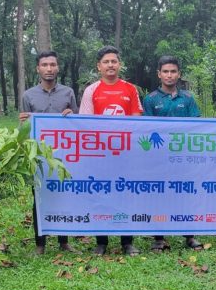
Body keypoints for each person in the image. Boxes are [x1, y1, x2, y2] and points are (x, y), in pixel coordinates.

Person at [79, 45, 143, 256]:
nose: (110, 65)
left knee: (126, 195)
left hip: (125, 153)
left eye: (113, 61)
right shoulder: (91, 90)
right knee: (100, 195)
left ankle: (127, 242)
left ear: (119, 64)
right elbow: (86, 124)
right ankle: (101, 241)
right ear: (99, 66)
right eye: (106, 62)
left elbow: (136, 121)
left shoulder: (130, 89)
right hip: (99, 153)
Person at [20, 51, 79, 255]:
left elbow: (78, 123)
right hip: (38, 155)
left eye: (52, 64)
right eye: (44, 65)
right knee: (40, 196)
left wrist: (72, 115)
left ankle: (64, 241)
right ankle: (40, 243)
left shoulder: (68, 93)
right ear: (38, 68)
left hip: (64, 154)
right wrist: (23, 123)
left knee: (64, 194)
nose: (49, 68)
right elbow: (25, 127)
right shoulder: (28, 95)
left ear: (58, 67)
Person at [142, 55, 203, 252]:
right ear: (159, 74)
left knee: (185, 193)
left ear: (179, 74)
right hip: (158, 158)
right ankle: (159, 237)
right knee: (159, 194)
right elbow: (148, 129)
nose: (169, 75)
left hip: (183, 157)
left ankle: (189, 235)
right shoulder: (150, 99)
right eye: (165, 72)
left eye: (173, 71)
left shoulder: (188, 98)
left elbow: (197, 125)